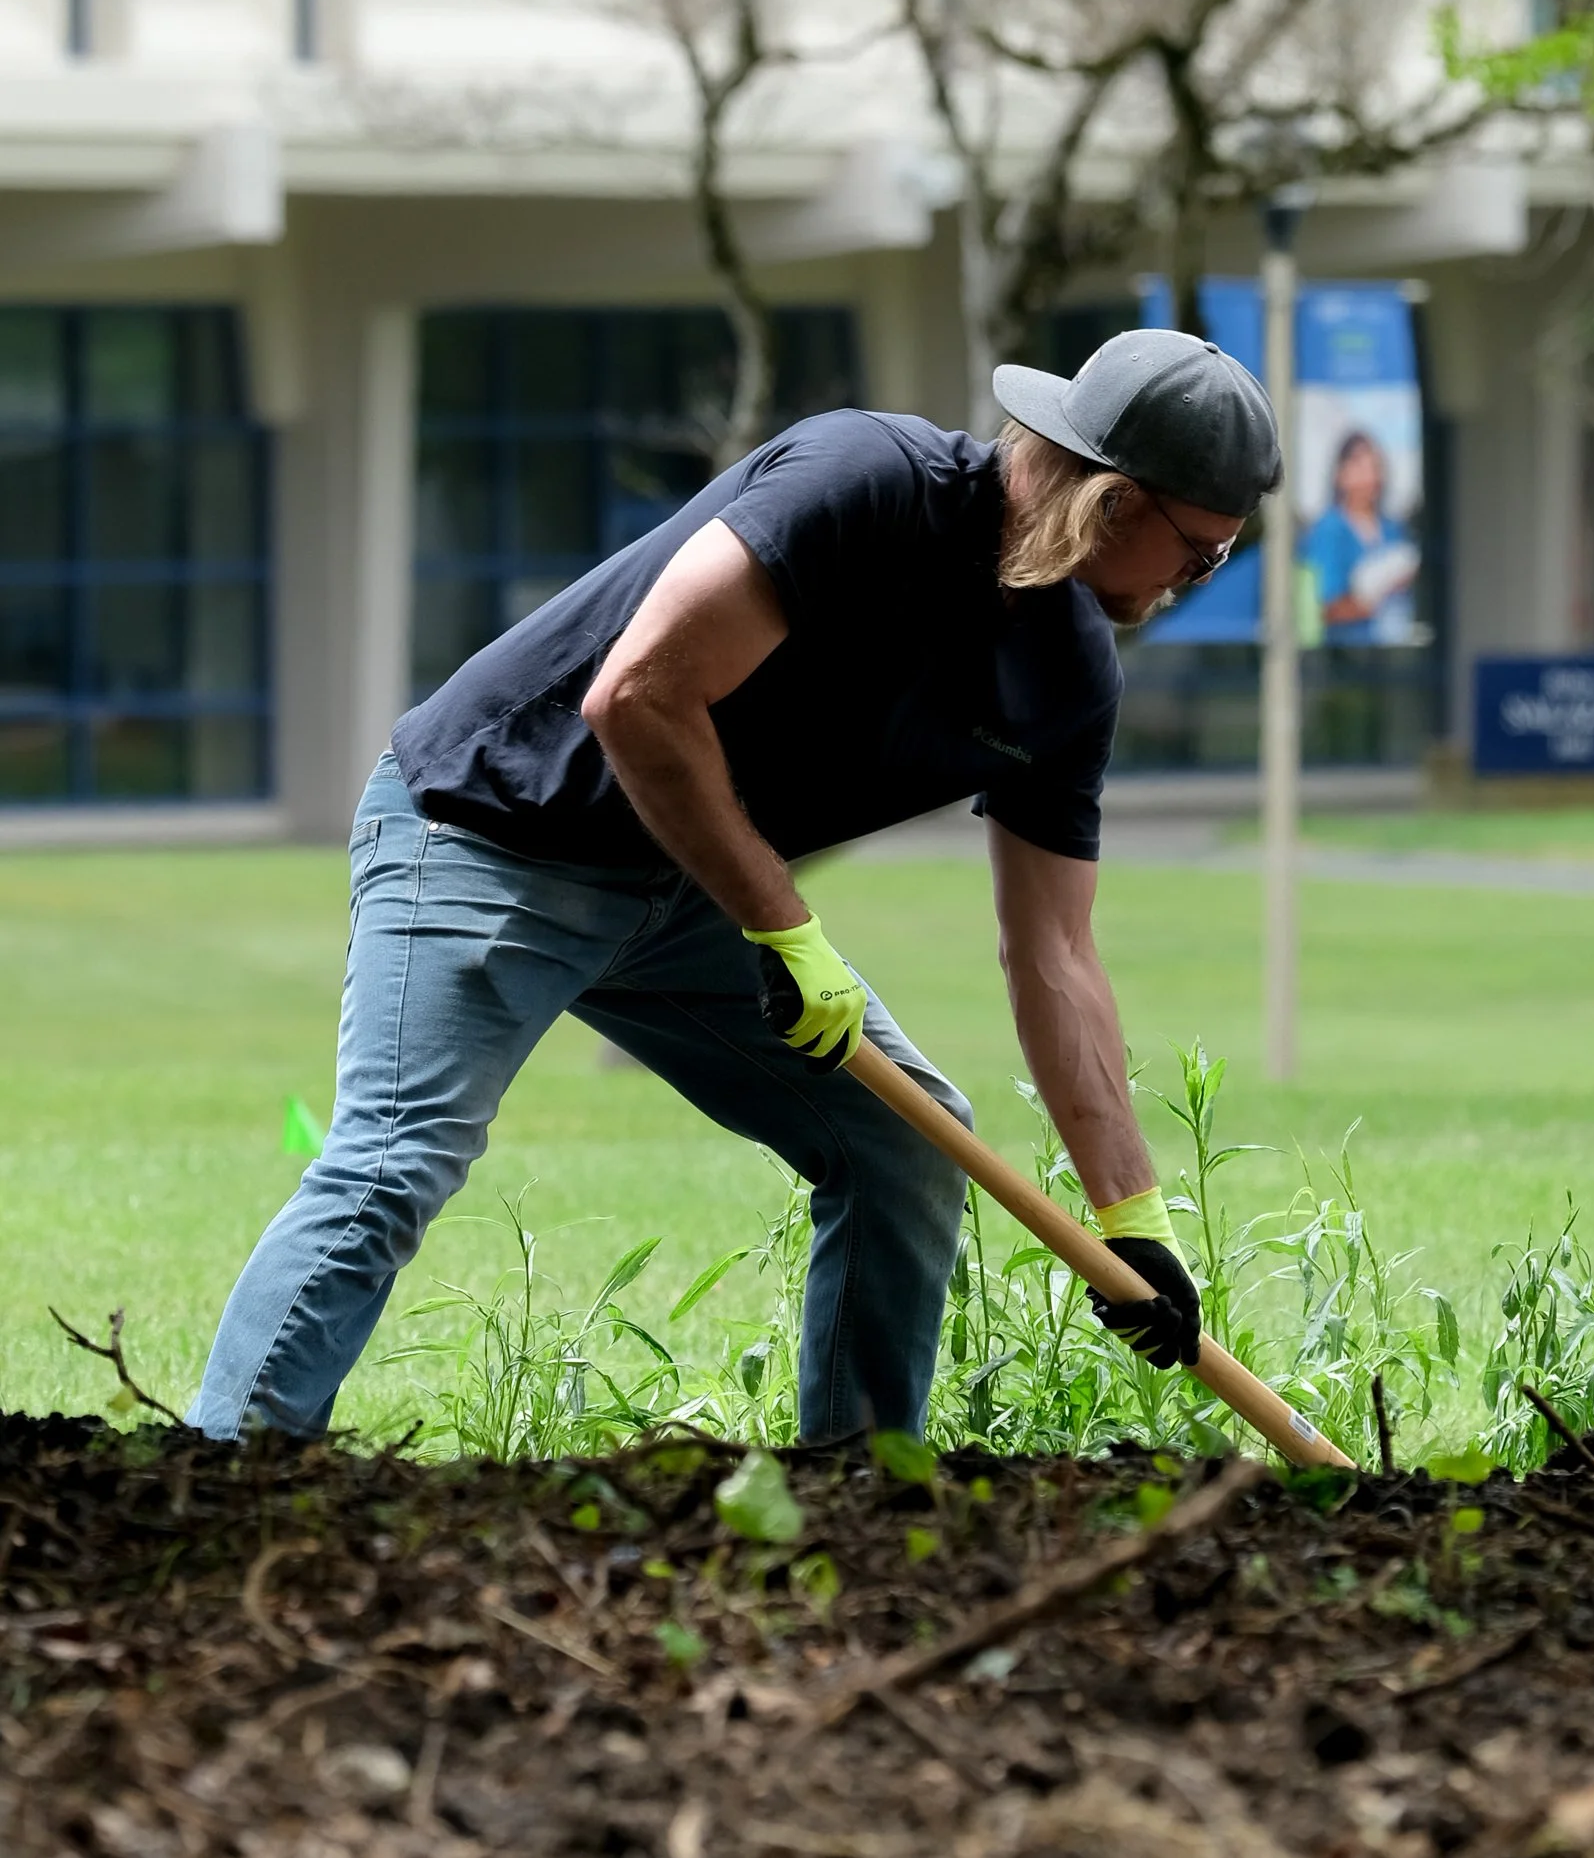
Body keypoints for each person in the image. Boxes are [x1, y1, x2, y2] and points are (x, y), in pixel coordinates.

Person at [190, 329, 1281, 1447]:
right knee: (395, 1157)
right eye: (1199, 555)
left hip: (682, 889)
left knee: (898, 1144)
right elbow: (639, 696)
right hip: (491, 829)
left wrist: (1128, 1218)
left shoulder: (1065, 675)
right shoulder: (867, 483)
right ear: (1111, 503)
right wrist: (785, 930)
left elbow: (1052, 950)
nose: (1194, 585)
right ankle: (221, 1472)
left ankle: (855, 1490)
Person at [1305, 428, 1419, 645]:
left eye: (1375, 467)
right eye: (1360, 467)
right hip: (1344, 655)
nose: (1371, 477)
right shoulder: (1330, 529)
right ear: (1340, 474)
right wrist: (1376, 599)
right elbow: (1325, 607)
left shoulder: (1392, 529)